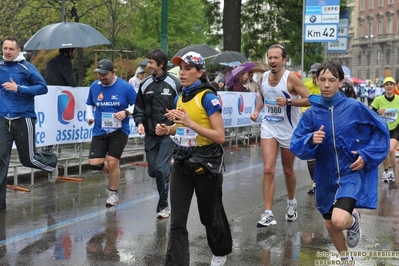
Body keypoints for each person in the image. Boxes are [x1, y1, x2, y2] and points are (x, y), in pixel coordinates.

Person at [290, 60, 389, 264]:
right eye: (323, 80)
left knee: (339, 220)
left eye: (332, 80)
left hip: (350, 172)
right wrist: (310, 139)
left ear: (341, 82)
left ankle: (353, 221)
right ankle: (346, 258)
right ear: (316, 80)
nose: (327, 85)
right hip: (325, 176)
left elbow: (381, 130)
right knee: (329, 226)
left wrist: (367, 154)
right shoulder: (312, 113)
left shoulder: (354, 107)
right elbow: (295, 143)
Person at [162, 51, 232, 266]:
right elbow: (181, 129)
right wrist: (168, 129)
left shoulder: (208, 97)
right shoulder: (180, 96)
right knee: (177, 222)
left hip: (206, 165)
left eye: (188, 69)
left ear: (200, 72)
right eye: (180, 68)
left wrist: (191, 123)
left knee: (209, 217)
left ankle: (220, 251)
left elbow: (220, 136)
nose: (182, 73)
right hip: (182, 164)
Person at [250, 44, 310, 228]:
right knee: (268, 169)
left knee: (287, 170)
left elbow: (309, 99)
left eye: (276, 58)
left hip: (289, 130)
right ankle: (268, 213)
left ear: (284, 60)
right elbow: (262, 95)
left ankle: (291, 201)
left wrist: (289, 101)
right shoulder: (263, 77)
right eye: (270, 57)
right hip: (269, 125)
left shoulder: (291, 78)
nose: (273, 61)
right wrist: (257, 111)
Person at [0, 36, 58, 211]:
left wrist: (19, 88)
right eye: (5, 48)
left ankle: (51, 163)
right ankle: (1, 204)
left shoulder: (27, 68)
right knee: (1, 161)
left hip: (24, 118)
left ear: (18, 51)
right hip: (3, 119)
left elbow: (43, 87)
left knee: (28, 159)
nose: (7, 52)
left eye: (11, 49)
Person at [133, 48, 181, 218]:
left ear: (161, 64)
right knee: (153, 171)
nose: (148, 66)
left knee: (161, 169)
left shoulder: (175, 83)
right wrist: (139, 123)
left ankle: (163, 205)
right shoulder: (145, 84)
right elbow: (138, 107)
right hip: (151, 134)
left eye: (151, 63)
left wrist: (174, 120)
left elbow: (183, 108)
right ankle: (170, 168)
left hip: (169, 134)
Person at [86, 59, 136, 207]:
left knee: (113, 162)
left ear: (113, 72)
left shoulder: (125, 87)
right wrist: (89, 117)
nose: (102, 77)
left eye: (104, 74)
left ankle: (112, 194)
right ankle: (114, 172)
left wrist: (126, 112)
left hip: (119, 130)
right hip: (100, 129)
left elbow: (137, 105)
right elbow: (90, 104)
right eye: (99, 74)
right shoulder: (95, 86)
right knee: (95, 163)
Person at [42, 48, 78, 156]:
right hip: (62, 98)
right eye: (73, 51)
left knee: (53, 124)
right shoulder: (64, 62)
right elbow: (72, 82)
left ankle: (47, 149)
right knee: (61, 123)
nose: (74, 54)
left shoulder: (51, 62)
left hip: (50, 97)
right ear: (69, 52)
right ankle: (48, 151)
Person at [370, 77, 399, 183]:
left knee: (391, 150)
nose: (389, 86)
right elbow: (371, 114)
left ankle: (391, 169)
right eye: (387, 84)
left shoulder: (398, 99)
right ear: (384, 87)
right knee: (385, 152)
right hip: (383, 129)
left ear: (394, 85)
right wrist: (378, 112)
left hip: (396, 128)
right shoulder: (378, 100)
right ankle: (386, 171)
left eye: (391, 84)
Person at [303, 63, 321, 195]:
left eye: (316, 72)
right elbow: (303, 100)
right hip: (310, 122)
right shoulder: (307, 85)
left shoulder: (326, 85)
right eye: (313, 73)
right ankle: (314, 182)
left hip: (324, 122)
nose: (314, 75)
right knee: (310, 155)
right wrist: (304, 110)